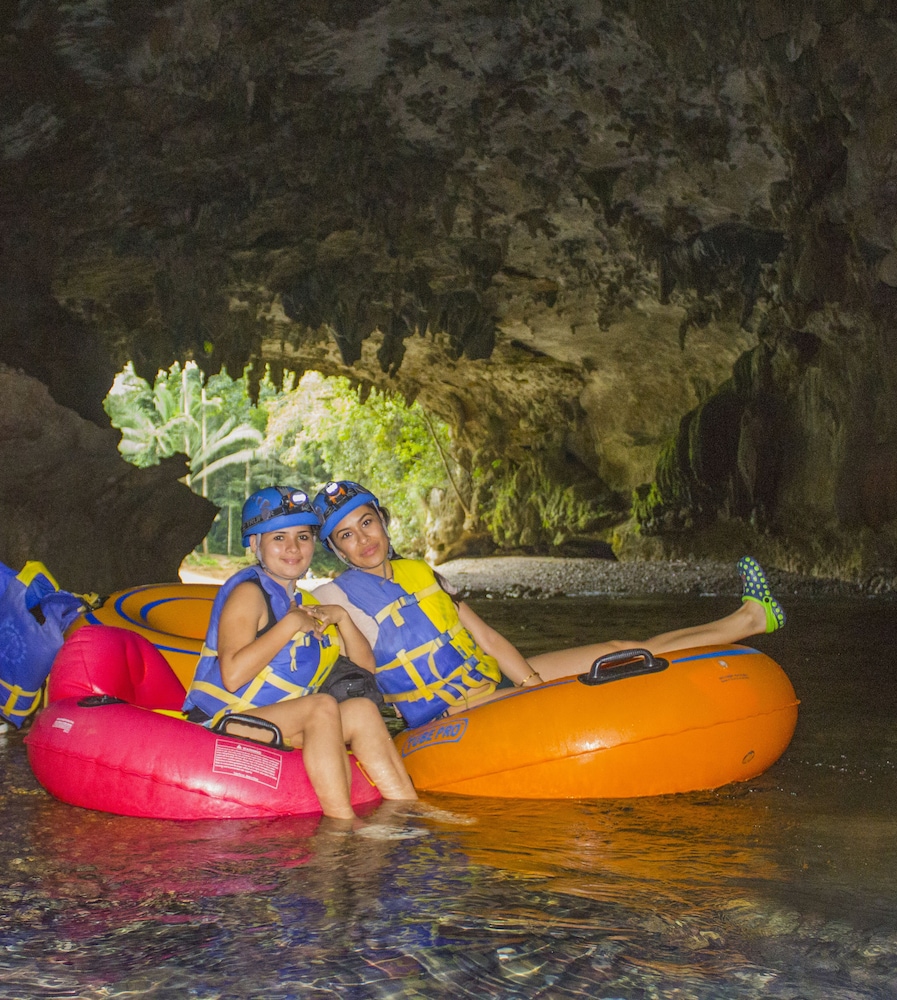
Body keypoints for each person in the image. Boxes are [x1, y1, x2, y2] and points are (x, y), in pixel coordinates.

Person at [310, 480, 788, 729]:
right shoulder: (333, 597)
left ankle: (751, 617)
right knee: (591, 688)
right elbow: (355, 672)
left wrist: (532, 685)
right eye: (346, 535)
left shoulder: (422, 573)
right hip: (448, 717)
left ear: (384, 523)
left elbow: (488, 639)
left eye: (367, 522)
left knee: (624, 646)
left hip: (492, 685)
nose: (363, 540)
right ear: (338, 550)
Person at [182, 485, 417, 820]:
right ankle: (342, 827)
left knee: (362, 710)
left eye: (303, 537)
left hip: (272, 720)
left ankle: (408, 809)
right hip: (220, 724)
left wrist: (344, 620)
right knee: (321, 706)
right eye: (278, 538)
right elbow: (232, 675)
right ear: (255, 544)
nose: (293, 548)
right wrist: (289, 625)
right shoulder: (250, 594)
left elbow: (365, 670)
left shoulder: (303, 604)